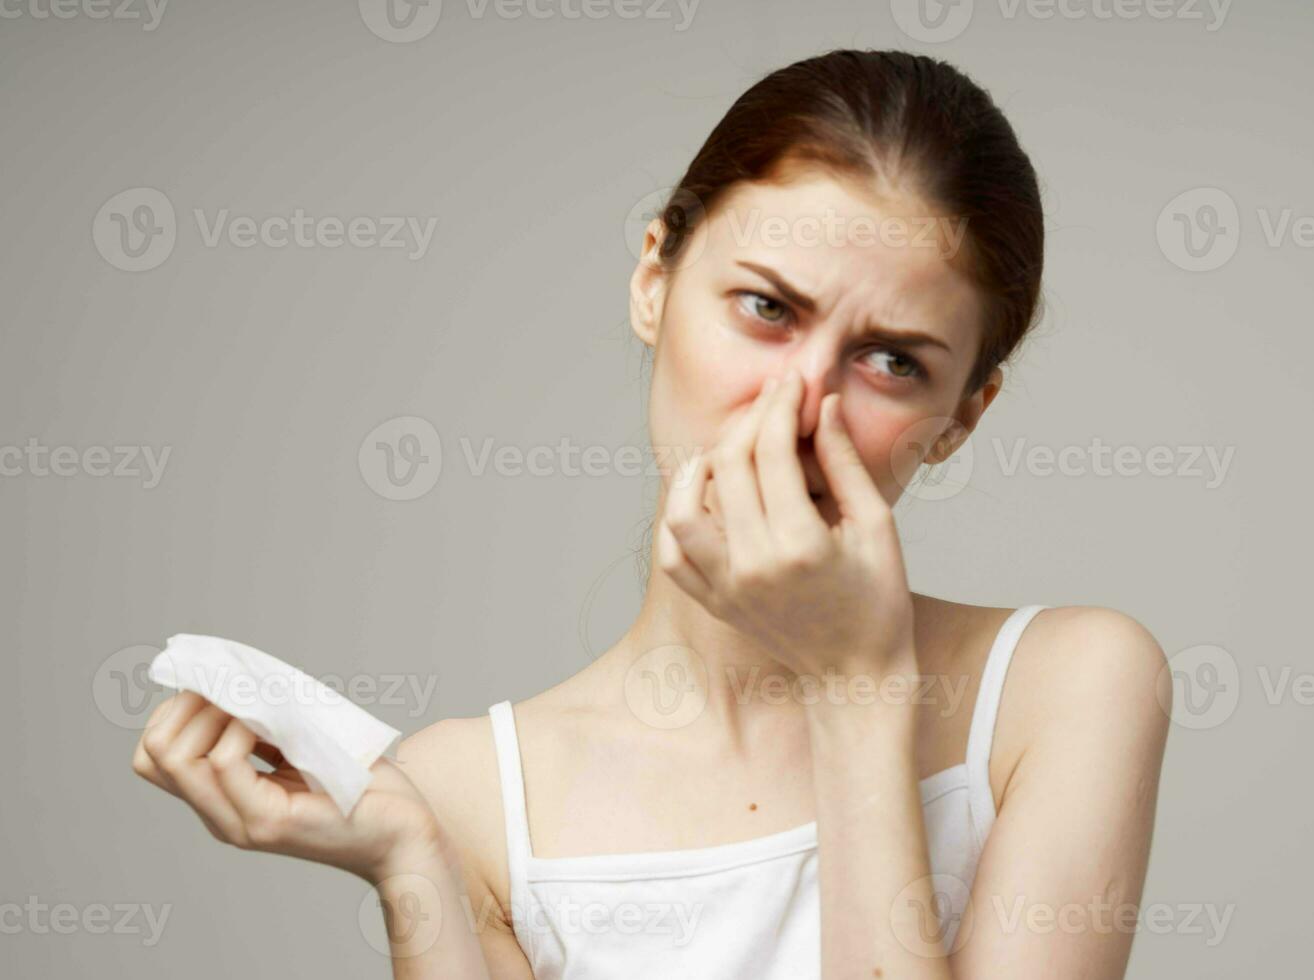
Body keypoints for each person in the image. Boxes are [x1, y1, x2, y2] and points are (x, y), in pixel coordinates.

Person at [132, 48, 1171, 979]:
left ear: (960, 419)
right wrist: (412, 862)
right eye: (768, 307)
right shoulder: (465, 792)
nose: (798, 404)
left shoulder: (1068, 686)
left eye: (892, 361)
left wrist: (858, 690)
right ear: (653, 278)